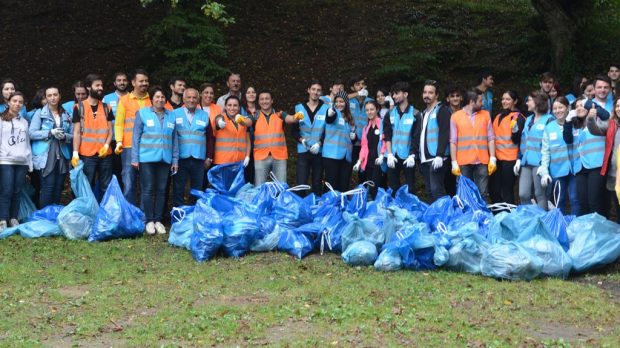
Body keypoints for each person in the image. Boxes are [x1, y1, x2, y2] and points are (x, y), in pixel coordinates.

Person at [131, 86, 178, 235]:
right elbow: (136, 137)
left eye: (163, 97)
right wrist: (134, 158)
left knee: (162, 190)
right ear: (151, 98)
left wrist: (175, 160)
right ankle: (149, 221)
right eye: (157, 97)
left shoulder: (171, 116)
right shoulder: (143, 113)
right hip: (147, 159)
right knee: (148, 189)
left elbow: (175, 139)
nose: (160, 99)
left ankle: (158, 221)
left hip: (165, 159)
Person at [29, 87, 73, 208]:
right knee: (48, 187)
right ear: (46, 98)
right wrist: (50, 132)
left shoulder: (65, 114)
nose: (53, 98)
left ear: (59, 96)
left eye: (55, 95)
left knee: (59, 187)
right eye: (49, 95)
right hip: (46, 155)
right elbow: (31, 133)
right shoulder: (40, 113)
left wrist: (64, 137)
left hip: (62, 154)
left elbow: (73, 135)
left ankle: (54, 217)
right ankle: (45, 218)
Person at [563, 97, 608, 217]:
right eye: (577, 106)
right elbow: (567, 139)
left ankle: (601, 230)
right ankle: (587, 231)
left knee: (594, 201)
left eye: (582, 105)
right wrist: (567, 121)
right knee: (583, 202)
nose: (579, 108)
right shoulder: (574, 125)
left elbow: (606, 115)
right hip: (580, 167)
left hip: (596, 165)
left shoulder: (597, 119)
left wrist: (589, 104)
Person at [71, 74, 114, 197]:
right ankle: (86, 214)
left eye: (101, 85)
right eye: (97, 85)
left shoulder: (107, 108)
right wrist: (75, 153)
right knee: (86, 185)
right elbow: (77, 132)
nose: (101, 88)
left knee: (106, 186)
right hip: (86, 154)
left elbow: (110, 131)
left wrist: (106, 145)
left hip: (105, 154)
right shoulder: (79, 107)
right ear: (89, 87)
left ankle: (104, 213)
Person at [114, 69, 152, 205]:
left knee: (146, 184)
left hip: (148, 148)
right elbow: (118, 124)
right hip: (129, 147)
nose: (144, 83)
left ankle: (143, 216)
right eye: (141, 81)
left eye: (146, 81)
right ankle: (129, 215)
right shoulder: (124, 100)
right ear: (133, 82)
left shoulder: (152, 100)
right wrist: (119, 141)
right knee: (129, 183)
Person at [450, 89, 496, 199]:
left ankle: (483, 215)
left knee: (483, 194)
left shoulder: (485, 115)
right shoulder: (455, 117)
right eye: (480, 101)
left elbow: (491, 138)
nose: (483, 103)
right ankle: (467, 216)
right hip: (463, 162)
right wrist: (454, 162)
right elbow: (453, 141)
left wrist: (493, 158)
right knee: (465, 195)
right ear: (471, 102)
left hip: (482, 161)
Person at [172, 88, 213, 207]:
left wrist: (209, 157)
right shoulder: (174, 114)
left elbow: (210, 137)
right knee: (178, 188)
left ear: (198, 99)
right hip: (180, 158)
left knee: (197, 189)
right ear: (183, 99)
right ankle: (178, 215)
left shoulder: (204, 115)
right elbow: (170, 136)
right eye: (188, 97)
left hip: (198, 159)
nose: (191, 100)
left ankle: (194, 215)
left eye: (194, 98)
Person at [539, 96, 579, 215]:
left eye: (560, 107)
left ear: (568, 108)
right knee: (559, 200)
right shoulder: (549, 127)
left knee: (574, 199)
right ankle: (559, 227)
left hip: (575, 169)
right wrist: (544, 172)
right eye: (555, 108)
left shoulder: (576, 123)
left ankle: (576, 226)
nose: (558, 111)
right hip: (557, 170)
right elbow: (545, 151)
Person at [515, 91, 554, 210]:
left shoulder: (549, 119)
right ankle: (529, 220)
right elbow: (523, 141)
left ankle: (542, 221)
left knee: (540, 194)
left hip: (540, 163)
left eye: (529, 100)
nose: (527, 103)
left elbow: (550, 145)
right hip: (526, 162)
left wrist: (545, 166)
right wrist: (518, 159)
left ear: (537, 102)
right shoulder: (528, 119)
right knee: (523, 194)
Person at [251, 90, 301, 185]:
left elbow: (290, 119)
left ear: (272, 100)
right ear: (258, 102)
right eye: (262, 99)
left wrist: (296, 117)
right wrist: (241, 120)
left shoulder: (280, 114)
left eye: (267, 99)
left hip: (279, 156)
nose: (264, 101)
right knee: (259, 187)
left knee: (281, 187)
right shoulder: (255, 116)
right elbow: (247, 122)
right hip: (261, 157)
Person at [0, 92, 32, 231]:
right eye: (14, 101)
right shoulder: (1, 120)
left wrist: (29, 162)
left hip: (21, 162)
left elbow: (27, 143)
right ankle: (2, 219)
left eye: (20, 102)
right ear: (8, 102)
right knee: (6, 190)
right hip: (5, 160)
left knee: (17, 191)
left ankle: (13, 218)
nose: (17, 104)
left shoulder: (24, 122)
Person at [383, 82, 421, 195]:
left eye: (396, 93)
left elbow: (416, 136)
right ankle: (395, 211)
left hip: (408, 156)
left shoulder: (415, 114)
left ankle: (411, 211)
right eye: (392, 94)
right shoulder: (390, 114)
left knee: (410, 187)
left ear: (405, 94)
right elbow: (387, 135)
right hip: (393, 155)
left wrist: (412, 155)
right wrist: (389, 154)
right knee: (393, 187)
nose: (394, 96)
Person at [292, 80, 329, 195]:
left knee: (317, 182)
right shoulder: (299, 108)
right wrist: (300, 139)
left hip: (319, 151)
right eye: (313, 89)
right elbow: (293, 130)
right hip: (303, 150)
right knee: (301, 182)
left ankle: (316, 209)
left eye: (318, 90)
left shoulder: (326, 108)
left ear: (321, 92)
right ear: (308, 90)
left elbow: (328, 130)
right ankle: (301, 209)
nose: (315, 92)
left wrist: (320, 143)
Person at [587, 95, 620, 222]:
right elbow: (595, 130)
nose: (619, 108)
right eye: (617, 105)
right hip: (613, 175)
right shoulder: (612, 124)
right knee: (617, 209)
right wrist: (590, 119)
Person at [418, 80, 452, 202]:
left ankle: (444, 217)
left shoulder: (442, 110)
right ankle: (435, 218)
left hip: (437, 158)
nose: (427, 95)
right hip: (425, 158)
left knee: (437, 190)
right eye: (425, 92)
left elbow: (445, 132)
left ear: (436, 95)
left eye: (430, 93)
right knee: (430, 191)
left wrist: (440, 155)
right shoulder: (423, 113)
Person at [489, 90, 526, 205]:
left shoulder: (518, 117)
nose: (504, 101)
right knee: (493, 190)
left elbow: (518, 140)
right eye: (503, 99)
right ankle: (500, 215)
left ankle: (510, 217)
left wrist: (515, 130)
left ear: (515, 101)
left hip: (510, 159)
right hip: (497, 159)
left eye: (508, 99)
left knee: (507, 191)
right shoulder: (498, 116)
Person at [353, 100, 386, 198]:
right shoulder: (366, 127)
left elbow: (385, 141)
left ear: (377, 109)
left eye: (372, 109)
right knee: (370, 187)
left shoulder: (382, 124)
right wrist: (359, 161)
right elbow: (364, 146)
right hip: (369, 162)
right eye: (367, 110)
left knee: (377, 187)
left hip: (379, 161)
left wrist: (382, 155)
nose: (369, 112)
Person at [323, 90, 355, 192]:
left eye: (341, 101)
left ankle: (342, 206)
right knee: (331, 185)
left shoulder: (349, 117)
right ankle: (329, 206)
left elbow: (350, 137)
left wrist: (354, 138)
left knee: (343, 185)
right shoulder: (334, 112)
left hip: (346, 157)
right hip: (332, 155)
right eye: (337, 101)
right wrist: (329, 114)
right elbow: (329, 119)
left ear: (346, 103)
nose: (338, 104)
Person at [347, 75, 373, 184]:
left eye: (362, 84)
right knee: (347, 168)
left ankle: (364, 192)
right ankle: (345, 193)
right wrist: (357, 94)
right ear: (352, 88)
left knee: (364, 169)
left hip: (365, 141)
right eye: (357, 84)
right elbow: (338, 98)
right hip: (351, 140)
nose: (361, 86)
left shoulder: (371, 101)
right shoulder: (348, 100)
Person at [212, 96, 251, 166]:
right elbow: (218, 119)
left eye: (235, 105)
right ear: (225, 107)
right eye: (229, 105)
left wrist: (247, 156)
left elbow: (248, 141)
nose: (232, 108)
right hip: (222, 162)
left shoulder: (243, 120)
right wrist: (219, 121)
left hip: (239, 162)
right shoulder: (221, 118)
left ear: (239, 108)